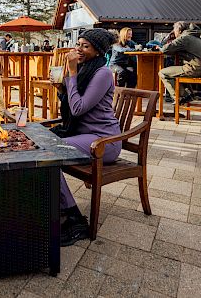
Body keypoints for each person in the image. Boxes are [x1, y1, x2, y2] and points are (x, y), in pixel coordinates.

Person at [51, 28, 120, 246]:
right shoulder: (86, 68)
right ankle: (55, 207)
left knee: (50, 152)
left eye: (85, 46)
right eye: (78, 44)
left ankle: (73, 218)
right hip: (85, 136)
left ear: (98, 51)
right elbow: (73, 102)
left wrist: (71, 73)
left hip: (103, 141)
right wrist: (62, 88)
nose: (78, 49)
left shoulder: (103, 73)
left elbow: (79, 108)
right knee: (41, 144)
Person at [157, 22, 201, 104]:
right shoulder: (197, 38)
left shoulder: (185, 38)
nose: (174, 33)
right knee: (176, 71)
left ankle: (180, 97)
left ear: (179, 30)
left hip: (193, 69)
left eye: (174, 31)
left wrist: (167, 39)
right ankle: (187, 95)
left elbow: (165, 50)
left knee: (163, 73)